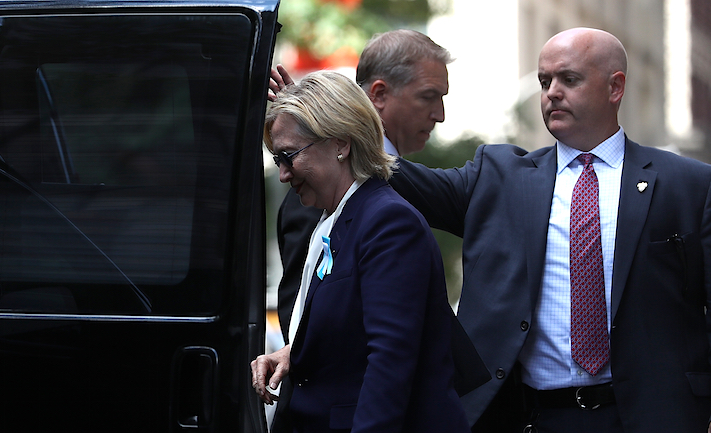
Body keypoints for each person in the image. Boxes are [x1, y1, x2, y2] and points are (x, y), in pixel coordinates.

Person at [389, 27, 711, 433]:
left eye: (569, 79)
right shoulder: (497, 176)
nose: (552, 92)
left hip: (649, 417)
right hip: (529, 418)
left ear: (615, 87)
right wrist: (337, 118)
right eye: (545, 81)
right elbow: (400, 179)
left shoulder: (689, 185)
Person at [251, 70, 471, 433]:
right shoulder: (335, 220)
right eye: (278, 160)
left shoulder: (388, 223)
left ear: (341, 143)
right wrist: (294, 353)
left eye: (289, 157)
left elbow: (391, 363)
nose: (283, 175)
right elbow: (351, 329)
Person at [270, 27, 451, 350]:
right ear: (379, 94)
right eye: (428, 96)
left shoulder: (373, 184)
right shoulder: (316, 187)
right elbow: (300, 315)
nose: (439, 115)